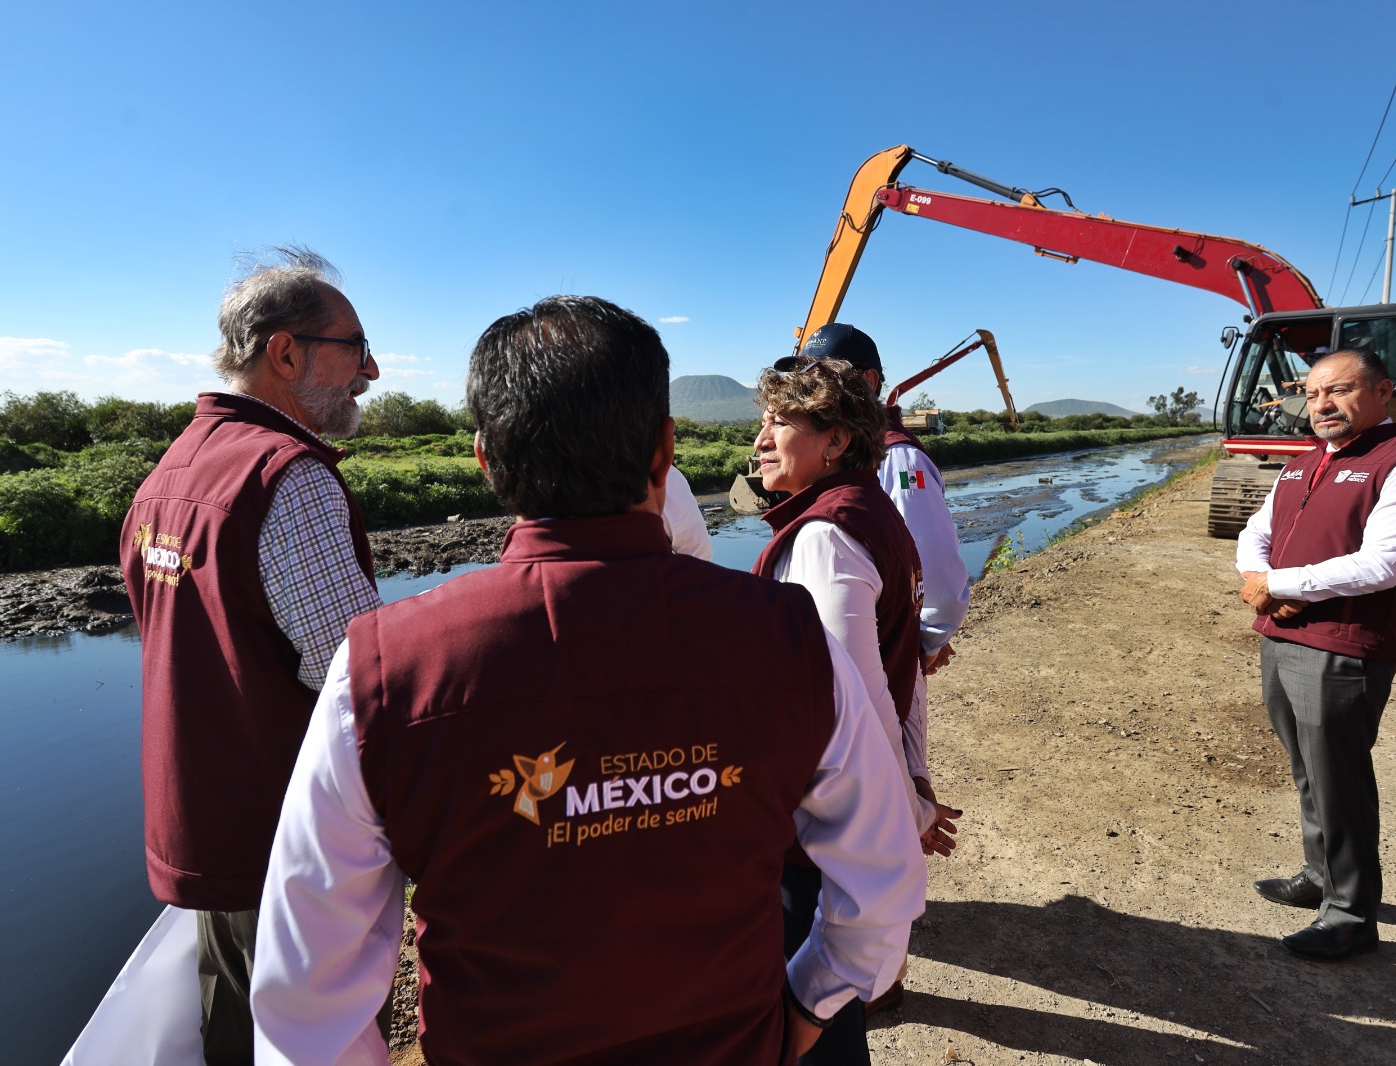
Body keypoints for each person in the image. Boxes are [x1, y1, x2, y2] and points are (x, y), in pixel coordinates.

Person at [251, 295, 924, 1065]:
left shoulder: (380, 670)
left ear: (484, 459)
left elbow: (307, 999)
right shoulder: (790, 638)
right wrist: (810, 1003)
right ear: (666, 452)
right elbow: (881, 879)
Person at [120, 246, 382, 1063]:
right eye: (356, 346)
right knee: (296, 1035)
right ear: (286, 352)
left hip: (200, 816)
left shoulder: (171, 471)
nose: (369, 372)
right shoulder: (288, 477)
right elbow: (355, 678)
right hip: (281, 827)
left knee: (231, 1020)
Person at [749, 355, 949, 1064]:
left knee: (819, 1028)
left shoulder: (824, 538)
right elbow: (899, 681)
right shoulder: (866, 510)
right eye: (762, 421)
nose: (759, 439)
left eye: (779, 422)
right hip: (853, 813)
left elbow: (846, 705)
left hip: (823, 826)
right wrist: (912, 792)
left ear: (835, 440)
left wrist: (903, 808)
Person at [1237, 348, 1396, 960]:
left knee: (1340, 776)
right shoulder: (1302, 465)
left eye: (1340, 391)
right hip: (1282, 636)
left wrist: (1281, 585)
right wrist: (1258, 577)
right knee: (1307, 769)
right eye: (1313, 392)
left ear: (1383, 392)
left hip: (1345, 648)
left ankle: (1351, 915)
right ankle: (1320, 875)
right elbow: (1257, 531)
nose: (1321, 404)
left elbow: (1385, 563)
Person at [780, 324, 970, 836]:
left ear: (867, 380)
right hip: (875, 645)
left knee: (893, 774)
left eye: (824, 376)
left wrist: (924, 642)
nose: (811, 390)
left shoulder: (901, 458)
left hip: (888, 653)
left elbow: (937, 569)